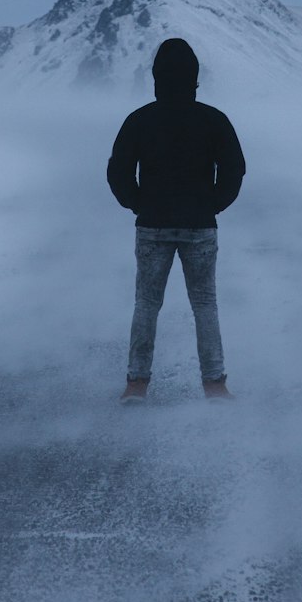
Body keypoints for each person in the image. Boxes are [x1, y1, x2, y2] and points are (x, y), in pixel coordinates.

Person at [107, 38, 246, 402]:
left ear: (156, 79)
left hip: (152, 224)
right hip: (200, 226)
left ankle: (136, 384)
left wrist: (138, 204)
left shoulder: (139, 120)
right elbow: (234, 171)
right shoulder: (214, 120)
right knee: (205, 304)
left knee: (147, 304)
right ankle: (215, 384)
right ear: (194, 79)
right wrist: (212, 206)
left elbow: (118, 172)